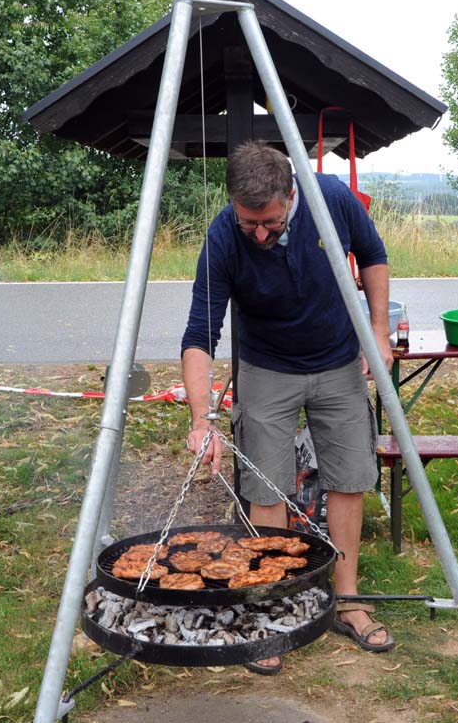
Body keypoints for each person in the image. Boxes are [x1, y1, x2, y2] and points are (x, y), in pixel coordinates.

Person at [180, 141, 395, 675]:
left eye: (269, 222)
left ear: (290, 194)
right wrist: (200, 419)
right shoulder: (225, 232)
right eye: (248, 221)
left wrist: (379, 329)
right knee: (266, 486)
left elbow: (373, 255)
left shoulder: (331, 199)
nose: (258, 233)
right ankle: (274, 608)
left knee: (349, 478)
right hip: (266, 370)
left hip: (339, 361)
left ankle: (347, 601)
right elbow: (199, 332)